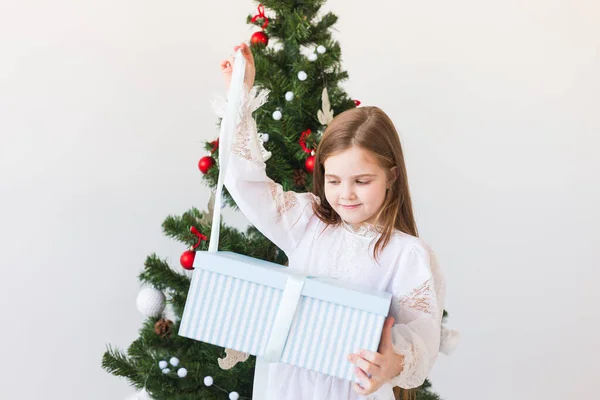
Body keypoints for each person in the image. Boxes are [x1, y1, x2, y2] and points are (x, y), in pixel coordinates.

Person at [216, 42, 446, 400]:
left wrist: (393, 362)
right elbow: (248, 186)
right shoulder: (307, 221)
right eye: (334, 180)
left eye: (362, 181)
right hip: (288, 389)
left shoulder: (407, 255)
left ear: (392, 176)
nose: (345, 194)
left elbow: (423, 335)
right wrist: (239, 100)